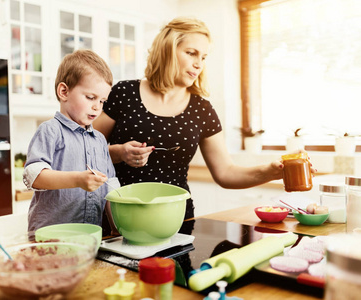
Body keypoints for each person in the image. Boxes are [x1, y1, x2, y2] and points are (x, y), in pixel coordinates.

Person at [94, 17, 315, 220]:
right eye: (191, 53)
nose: (199, 64)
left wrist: (271, 171)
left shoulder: (202, 109)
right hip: (119, 217)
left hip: (176, 219)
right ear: (167, 50)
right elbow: (85, 151)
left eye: (203, 57)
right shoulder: (123, 93)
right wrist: (119, 153)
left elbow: (226, 173)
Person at [23, 49, 118, 233]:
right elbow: (33, 176)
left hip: (89, 238)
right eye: (91, 97)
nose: (97, 107)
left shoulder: (99, 140)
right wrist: (77, 179)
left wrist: (117, 228)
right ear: (64, 91)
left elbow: (110, 188)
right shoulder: (51, 131)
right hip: (49, 239)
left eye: (102, 101)